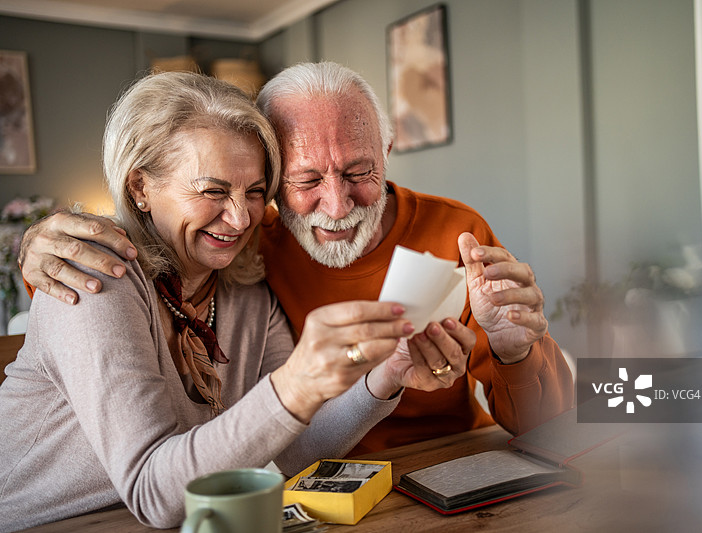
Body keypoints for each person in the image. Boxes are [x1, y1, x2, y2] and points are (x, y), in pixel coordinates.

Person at [18, 61, 574, 455]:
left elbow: (550, 431)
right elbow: (101, 311)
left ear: (385, 152)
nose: (336, 205)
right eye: (306, 179)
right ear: (274, 177)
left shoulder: (457, 232)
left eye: (359, 172)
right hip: (301, 480)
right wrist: (39, 248)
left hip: (443, 460)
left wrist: (513, 351)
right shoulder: (246, 241)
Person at [0, 71, 475, 532]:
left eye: (254, 192)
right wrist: (296, 384)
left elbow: (282, 448)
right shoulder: (94, 273)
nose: (239, 216)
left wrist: (385, 374)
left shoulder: (246, 290)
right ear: (140, 187)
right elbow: (154, 490)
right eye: (213, 190)